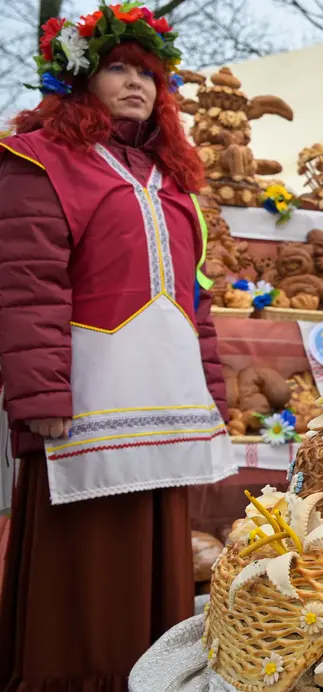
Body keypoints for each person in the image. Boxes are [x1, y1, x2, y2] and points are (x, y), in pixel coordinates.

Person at [0, 5, 236, 689]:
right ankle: (75, 675)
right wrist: (40, 393)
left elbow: (197, 302)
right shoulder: (36, 162)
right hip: (83, 402)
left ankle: (148, 673)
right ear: (79, 78)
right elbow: (25, 283)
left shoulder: (175, 184)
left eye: (148, 73)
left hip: (164, 401)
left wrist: (211, 395)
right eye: (118, 67)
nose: (137, 82)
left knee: (157, 546)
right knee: (89, 557)